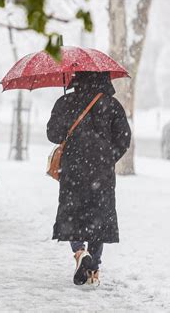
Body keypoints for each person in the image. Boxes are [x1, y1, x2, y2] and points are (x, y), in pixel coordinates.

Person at [46, 71, 131, 286]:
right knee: (97, 217)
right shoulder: (112, 105)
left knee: (74, 214)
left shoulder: (66, 101)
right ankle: (94, 269)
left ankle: (80, 252)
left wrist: (66, 109)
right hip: (101, 173)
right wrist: (107, 157)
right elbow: (124, 138)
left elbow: (53, 135)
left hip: (73, 170)